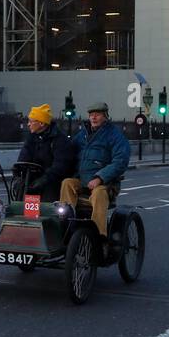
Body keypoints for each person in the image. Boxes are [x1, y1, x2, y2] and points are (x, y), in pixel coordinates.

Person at [60, 101, 130, 243]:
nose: (93, 117)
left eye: (97, 115)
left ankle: (99, 237)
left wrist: (100, 177)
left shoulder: (114, 135)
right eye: (91, 115)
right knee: (67, 183)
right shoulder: (82, 135)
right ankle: (66, 225)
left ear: (105, 116)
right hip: (82, 180)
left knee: (98, 194)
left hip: (106, 184)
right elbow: (68, 152)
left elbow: (120, 161)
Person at [14, 104, 76, 201]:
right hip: (34, 178)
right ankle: (23, 213)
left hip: (53, 181)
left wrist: (44, 180)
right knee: (22, 189)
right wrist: (17, 174)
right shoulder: (31, 138)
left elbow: (60, 167)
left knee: (48, 192)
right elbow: (24, 157)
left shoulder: (60, 140)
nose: (28, 124)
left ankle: (47, 214)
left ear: (42, 123)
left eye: (31, 121)